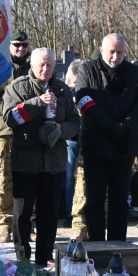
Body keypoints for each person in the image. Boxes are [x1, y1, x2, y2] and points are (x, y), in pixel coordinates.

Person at [3, 48, 80, 265]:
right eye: (41, 65)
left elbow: (75, 123)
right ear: (32, 66)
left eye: (49, 65)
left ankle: (45, 256)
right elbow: (10, 118)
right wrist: (38, 102)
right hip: (26, 162)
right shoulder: (18, 88)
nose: (45, 69)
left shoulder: (63, 90)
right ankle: (22, 258)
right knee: (22, 215)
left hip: (54, 163)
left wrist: (60, 129)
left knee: (49, 214)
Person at [74, 33, 138, 241]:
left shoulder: (133, 71)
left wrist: (124, 126)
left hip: (124, 144)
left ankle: (117, 243)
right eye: (111, 52)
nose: (115, 57)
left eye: (120, 52)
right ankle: (96, 242)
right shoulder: (87, 69)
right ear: (101, 49)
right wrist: (110, 126)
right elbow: (83, 99)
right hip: (96, 144)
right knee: (95, 198)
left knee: (119, 199)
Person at [0, 28, 31, 242]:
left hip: (27, 132)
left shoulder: (34, 68)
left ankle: (27, 222)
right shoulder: (0, 69)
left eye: (24, 45)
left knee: (28, 179)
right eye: (16, 45)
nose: (21, 49)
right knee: (3, 180)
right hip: (4, 131)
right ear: (9, 46)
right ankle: (4, 223)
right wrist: (13, 111)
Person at [62, 59, 83, 227]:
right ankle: (69, 211)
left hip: (85, 137)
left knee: (81, 179)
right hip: (71, 139)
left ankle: (79, 212)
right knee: (70, 178)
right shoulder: (65, 90)